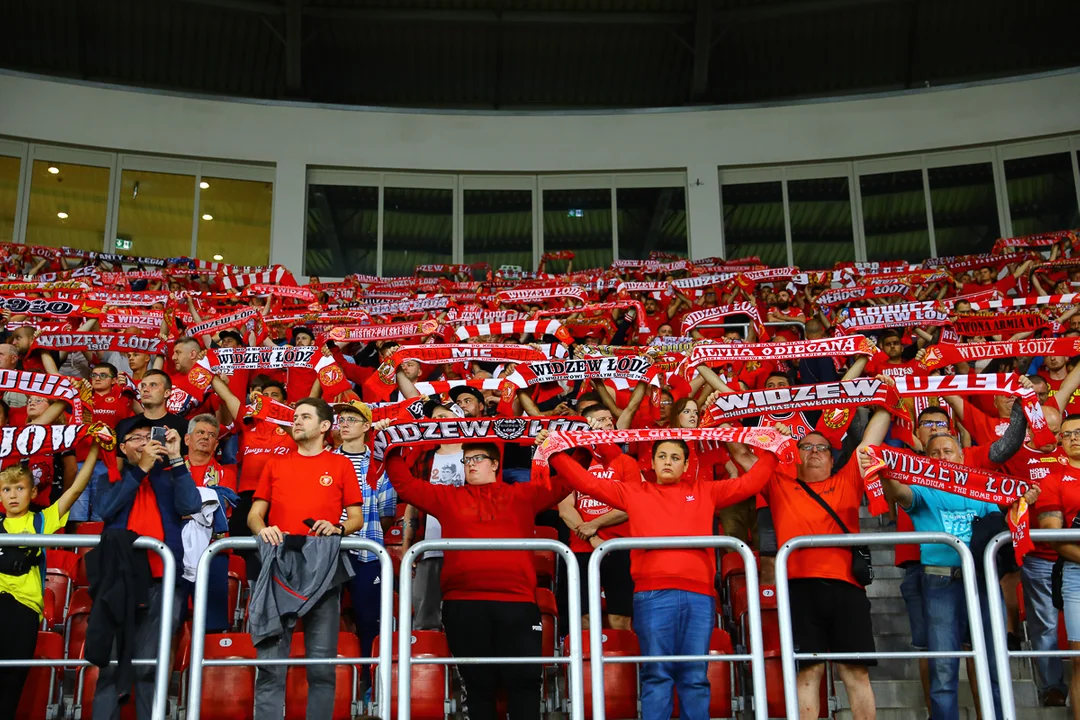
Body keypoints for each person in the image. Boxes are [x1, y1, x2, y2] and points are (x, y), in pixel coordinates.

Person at [547, 430, 785, 720]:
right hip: (651, 595)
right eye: (662, 456)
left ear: (686, 465)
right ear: (652, 463)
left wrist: (773, 450)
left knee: (695, 674)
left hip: (699, 595)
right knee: (657, 673)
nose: (668, 462)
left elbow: (751, 483)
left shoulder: (706, 490)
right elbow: (587, 483)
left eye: (675, 457)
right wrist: (554, 452)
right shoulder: (634, 492)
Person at [385, 439, 573, 720]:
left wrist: (562, 446)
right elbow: (405, 485)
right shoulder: (448, 497)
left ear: (496, 464)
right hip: (464, 604)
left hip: (517, 603)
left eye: (478, 459)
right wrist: (391, 447)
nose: (470, 465)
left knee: (524, 681)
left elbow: (569, 480)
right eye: (466, 460)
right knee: (478, 686)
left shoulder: (523, 494)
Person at [728, 405, 893, 720]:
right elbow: (739, 451)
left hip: (847, 588)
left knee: (856, 672)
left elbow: (870, 441)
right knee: (808, 672)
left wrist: (887, 400)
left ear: (832, 458)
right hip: (798, 589)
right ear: (796, 455)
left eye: (822, 448)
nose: (815, 451)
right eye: (806, 446)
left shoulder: (848, 479)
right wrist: (722, 415)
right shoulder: (778, 482)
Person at [871, 432, 1028, 720]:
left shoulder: (979, 488)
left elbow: (1000, 522)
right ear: (926, 460)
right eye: (935, 453)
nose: (942, 457)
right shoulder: (921, 489)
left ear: (961, 457)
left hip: (981, 581)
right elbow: (899, 493)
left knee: (993, 662)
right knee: (943, 667)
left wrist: (1023, 502)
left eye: (948, 451)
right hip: (940, 580)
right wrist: (884, 473)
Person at [247, 397, 365, 720]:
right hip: (279, 566)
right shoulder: (275, 463)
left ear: (325, 426)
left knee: (322, 666)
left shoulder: (341, 465)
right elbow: (254, 515)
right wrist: (263, 529)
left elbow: (356, 518)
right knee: (270, 665)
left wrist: (338, 527)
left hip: (324, 569)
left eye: (305, 417)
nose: (296, 422)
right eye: (295, 417)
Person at [93, 424, 202, 720]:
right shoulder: (110, 478)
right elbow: (105, 509)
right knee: (109, 666)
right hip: (118, 580)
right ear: (122, 447)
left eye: (149, 437)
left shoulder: (170, 476)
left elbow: (191, 505)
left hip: (163, 581)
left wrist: (177, 458)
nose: (145, 443)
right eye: (136, 439)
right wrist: (140, 470)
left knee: (149, 667)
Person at [0, 443, 99, 720]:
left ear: (33, 493)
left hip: (25, 609)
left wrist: (93, 451)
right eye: (6, 489)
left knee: (12, 681)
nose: (13, 495)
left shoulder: (41, 521)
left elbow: (76, 490)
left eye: (19, 488)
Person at [333, 399, 396, 691]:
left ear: (367, 426)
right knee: (325, 620)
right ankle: (334, 685)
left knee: (370, 620)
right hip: (331, 553)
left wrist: (364, 532)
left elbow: (387, 514)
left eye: (351, 419)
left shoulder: (379, 465)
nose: (344, 424)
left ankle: (370, 685)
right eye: (342, 419)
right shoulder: (326, 459)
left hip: (368, 553)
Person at [557, 405, 638, 630]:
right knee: (584, 618)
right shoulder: (574, 462)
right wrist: (592, 537)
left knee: (620, 619)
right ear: (586, 427)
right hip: (582, 548)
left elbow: (631, 506)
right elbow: (565, 508)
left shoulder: (626, 462)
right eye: (601, 420)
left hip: (620, 546)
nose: (609, 423)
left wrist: (594, 524)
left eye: (610, 419)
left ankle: (620, 655)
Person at [401, 403, 464, 631]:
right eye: (434, 417)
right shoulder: (424, 458)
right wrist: (407, 544)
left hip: (466, 548)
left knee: (463, 617)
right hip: (429, 547)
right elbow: (413, 503)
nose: (437, 420)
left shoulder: (476, 454)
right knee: (426, 619)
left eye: (443, 415)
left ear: (459, 418)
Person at [1036, 413, 1080, 720]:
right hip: (1076, 573)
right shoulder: (1051, 480)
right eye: (1067, 434)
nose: (1074, 438)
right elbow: (1053, 535)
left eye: (1079, 432)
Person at [115, 370, 191, 463]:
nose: (145, 389)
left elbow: (189, 465)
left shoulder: (184, 426)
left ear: (167, 393)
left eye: (153, 385)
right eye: (143, 385)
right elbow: (117, 468)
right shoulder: (124, 425)